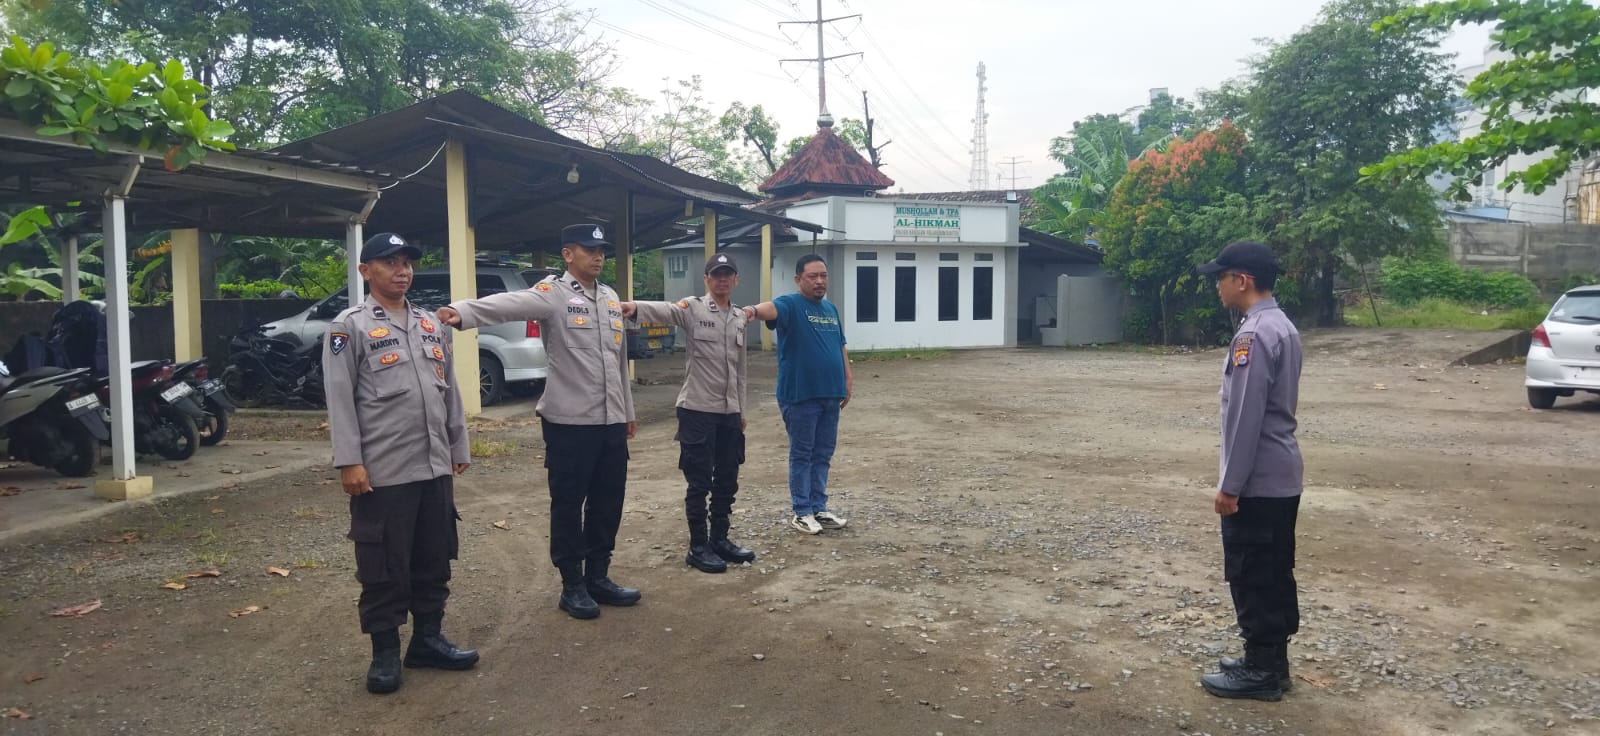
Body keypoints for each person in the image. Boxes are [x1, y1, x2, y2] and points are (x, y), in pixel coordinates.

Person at [436, 223, 640, 620]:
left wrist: (627, 413)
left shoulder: (611, 298)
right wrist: (462, 312)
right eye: (589, 249)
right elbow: (509, 304)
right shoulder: (553, 294)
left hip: (611, 421)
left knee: (608, 501)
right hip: (569, 422)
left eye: (601, 250)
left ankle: (599, 576)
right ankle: (572, 584)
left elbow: (618, 364)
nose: (598, 256)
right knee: (568, 504)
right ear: (568, 254)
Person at [323, 232, 477, 695]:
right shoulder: (348, 327)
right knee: (383, 565)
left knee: (434, 557)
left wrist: (458, 446)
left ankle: (427, 640)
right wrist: (349, 461)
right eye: (390, 262)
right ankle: (385, 653)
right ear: (365, 270)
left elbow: (449, 391)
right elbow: (339, 399)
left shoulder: (431, 324)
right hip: (383, 470)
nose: (402, 270)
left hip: (433, 465)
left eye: (406, 262)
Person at [1195, 241, 1304, 702]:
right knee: (1273, 570)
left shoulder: (1254, 335)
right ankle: (1271, 664)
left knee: (1252, 571)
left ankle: (1261, 671)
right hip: (1280, 476)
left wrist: (1230, 485)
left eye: (1221, 277)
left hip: (1258, 481)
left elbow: (1245, 417)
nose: (1217, 286)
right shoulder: (1281, 325)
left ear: (1242, 281)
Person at [620, 252, 757, 574]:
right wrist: (633, 307)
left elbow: (740, 370)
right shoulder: (693, 309)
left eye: (728, 274)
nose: (722, 279)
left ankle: (720, 539)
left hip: (729, 412)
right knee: (699, 481)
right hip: (697, 410)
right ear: (706, 280)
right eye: (716, 274)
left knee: (727, 478)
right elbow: (666, 311)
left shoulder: (739, 317)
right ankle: (698, 546)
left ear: (736, 279)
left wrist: (741, 410)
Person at [742, 253, 852, 536]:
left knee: (823, 453)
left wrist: (847, 378)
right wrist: (752, 310)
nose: (819, 281)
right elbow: (770, 309)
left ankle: (819, 507)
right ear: (798, 279)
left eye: (823, 276)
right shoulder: (791, 304)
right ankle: (802, 511)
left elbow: (840, 345)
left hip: (830, 394)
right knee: (803, 453)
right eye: (812, 276)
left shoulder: (830, 309)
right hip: (800, 395)